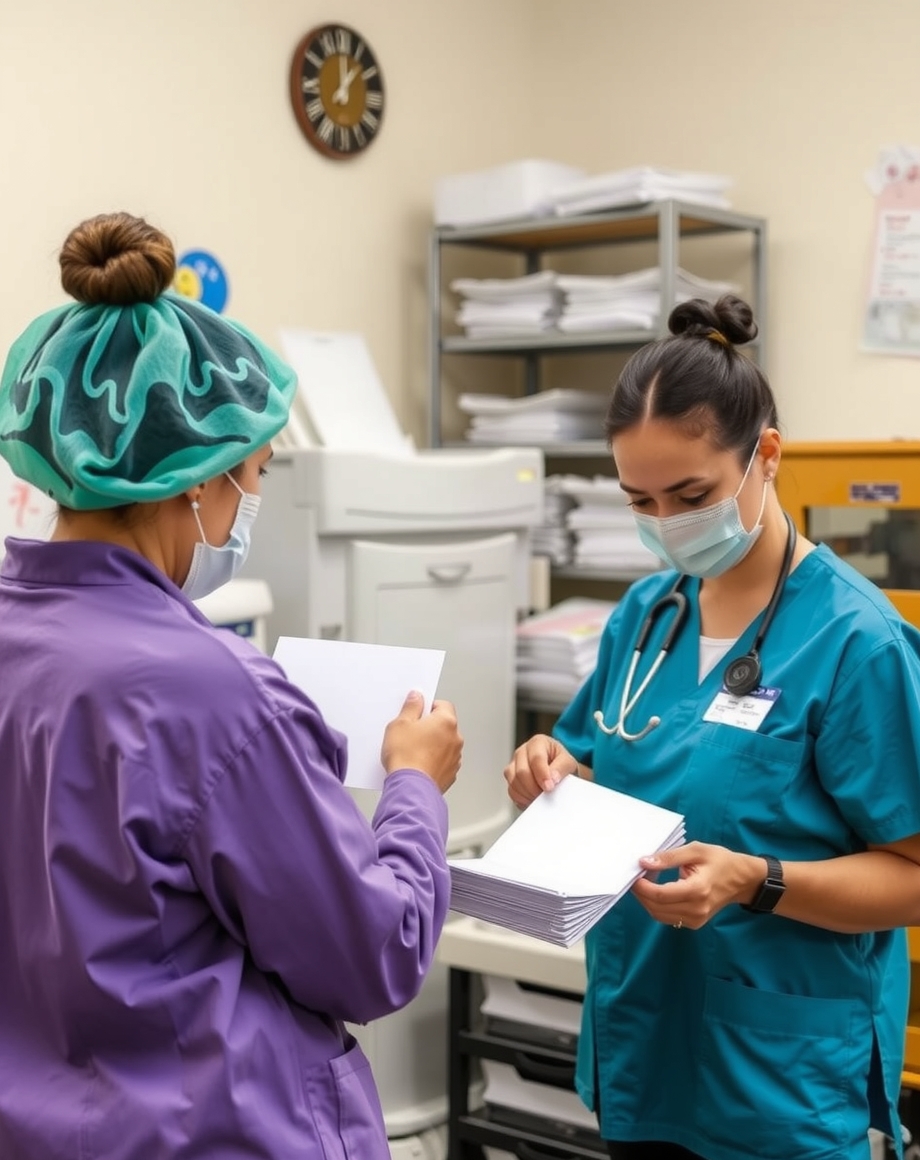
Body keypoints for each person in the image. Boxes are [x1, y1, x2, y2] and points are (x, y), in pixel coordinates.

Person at [0, 212, 463, 1160]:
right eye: (252, 477)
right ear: (197, 485)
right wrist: (414, 787)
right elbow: (373, 954)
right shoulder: (211, 694)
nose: (249, 503)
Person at [504, 294, 920, 1160]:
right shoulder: (646, 615)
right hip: (647, 1041)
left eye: (690, 495)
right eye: (639, 501)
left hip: (780, 1073)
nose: (666, 526)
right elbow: (595, 755)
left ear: (765, 454)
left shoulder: (856, 641)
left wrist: (754, 879)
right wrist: (553, 764)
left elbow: (914, 877)